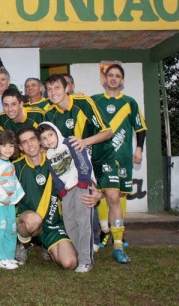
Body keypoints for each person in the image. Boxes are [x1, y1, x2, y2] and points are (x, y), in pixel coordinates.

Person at [44, 74, 130, 264]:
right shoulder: (51, 113)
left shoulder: (82, 101)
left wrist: (85, 141)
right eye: (49, 89)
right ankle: (80, 243)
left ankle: (118, 245)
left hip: (101, 155)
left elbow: (108, 131)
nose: (53, 92)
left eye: (57, 88)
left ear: (67, 88)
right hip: (81, 163)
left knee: (113, 196)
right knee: (81, 200)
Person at [91, 64, 147, 247]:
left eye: (117, 76)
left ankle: (118, 233)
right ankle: (104, 231)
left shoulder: (130, 102)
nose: (113, 78)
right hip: (101, 157)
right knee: (101, 193)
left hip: (122, 157)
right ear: (104, 79)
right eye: (110, 75)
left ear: (122, 81)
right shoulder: (95, 100)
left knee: (119, 195)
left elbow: (140, 128)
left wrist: (139, 148)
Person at [14, 127, 78, 270]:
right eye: (24, 142)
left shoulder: (55, 161)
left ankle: (46, 245)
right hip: (28, 220)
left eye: (32, 139)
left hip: (52, 223)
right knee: (33, 220)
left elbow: (76, 178)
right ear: (20, 147)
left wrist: (94, 191)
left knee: (70, 263)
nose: (30, 145)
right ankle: (23, 243)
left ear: (39, 141)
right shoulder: (16, 167)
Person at [37, 122, 96, 272]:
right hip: (67, 191)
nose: (48, 140)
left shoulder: (70, 142)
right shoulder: (49, 154)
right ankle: (78, 255)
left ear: (56, 131)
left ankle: (86, 260)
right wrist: (61, 191)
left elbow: (84, 163)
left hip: (81, 185)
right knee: (70, 223)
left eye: (50, 135)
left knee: (84, 222)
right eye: (44, 138)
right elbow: (55, 175)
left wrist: (83, 183)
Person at [0, 130, 24, 270]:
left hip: (10, 203)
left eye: (11, 146)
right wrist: (3, 198)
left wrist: (17, 196)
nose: (8, 149)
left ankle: (9, 256)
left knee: (11, 229)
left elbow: (13, 181)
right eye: (4, 146)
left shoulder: (9, 163)